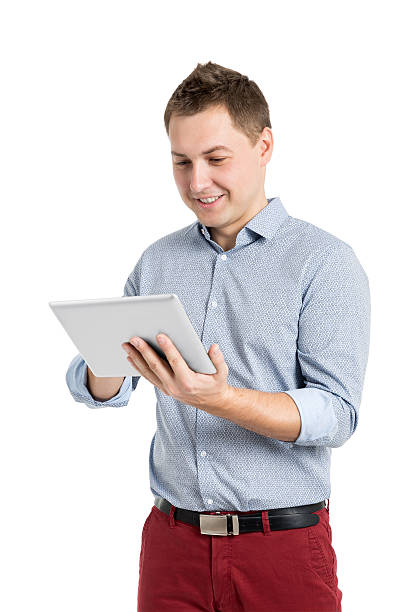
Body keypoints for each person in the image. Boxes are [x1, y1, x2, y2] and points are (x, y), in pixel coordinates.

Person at [66, 61, 370, 612]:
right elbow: (100, 387)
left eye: (216, 159)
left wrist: (222, 401)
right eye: (181, 162)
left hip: (281, 549)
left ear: (264, 145)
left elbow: (336, 414)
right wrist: (108, 360)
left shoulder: (324, 263)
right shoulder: (158, 261)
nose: (197, 182)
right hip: (172, 545)